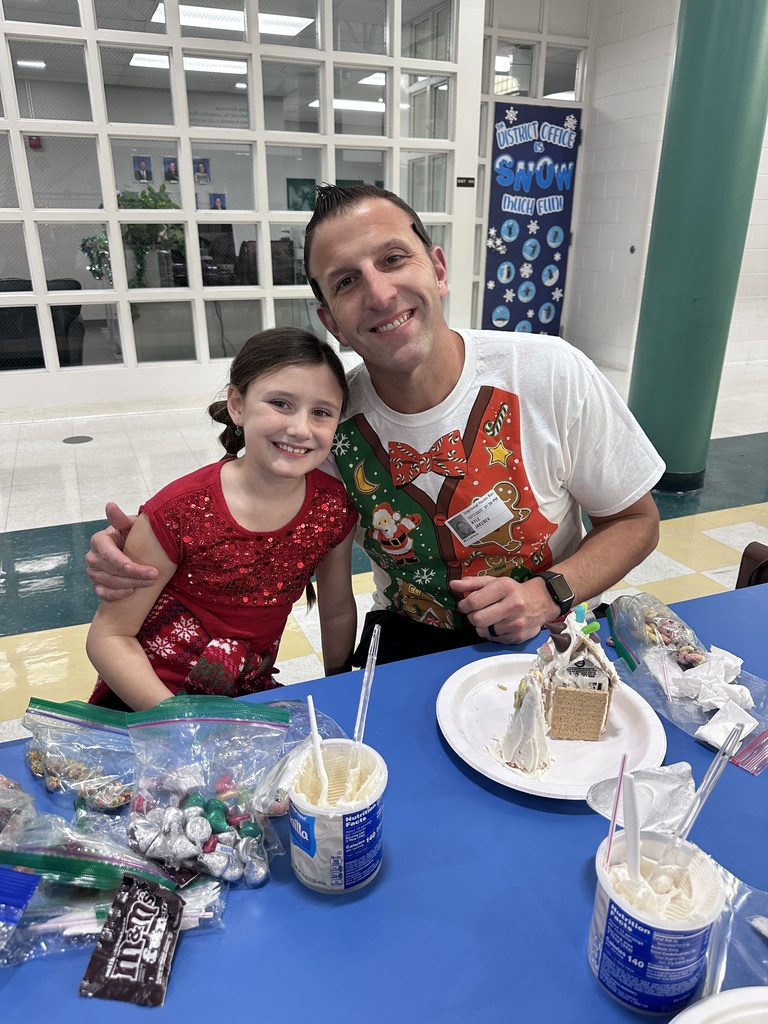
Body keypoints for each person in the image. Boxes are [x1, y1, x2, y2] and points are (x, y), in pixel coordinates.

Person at [86, 184, 664, 668]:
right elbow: (243, 508)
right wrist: (142, 545)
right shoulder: (327, 425)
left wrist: (547, 594)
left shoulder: (549, 372)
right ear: (331, 321)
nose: (381, 294)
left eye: (393, 259)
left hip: (551, 634)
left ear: (438, 269)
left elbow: (635, 522)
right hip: (406, 645)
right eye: (346, 281)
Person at [85, 328, 357, 711]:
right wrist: (177, 722)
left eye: (321, 412)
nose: (300, 428)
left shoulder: (332, 509)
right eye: (280, 403)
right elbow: (109, 637)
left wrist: (340, 687)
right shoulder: (179, 511)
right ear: (237, 405)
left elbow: (337, 608)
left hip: (243, 696)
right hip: (148, 701)